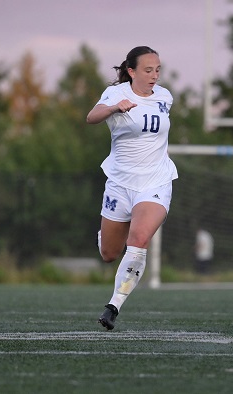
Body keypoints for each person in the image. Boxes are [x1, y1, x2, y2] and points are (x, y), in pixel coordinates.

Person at [86, 46, 178, 330]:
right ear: (132, 71)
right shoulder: (116, 94)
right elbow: (92, 116)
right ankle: (110, 229)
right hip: (120, 183)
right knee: (109, 254)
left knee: (138, 238)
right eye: (148, 70)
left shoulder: (164, 97)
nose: (154, 76)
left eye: (158, 70)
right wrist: (114, 108)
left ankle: (113, 306)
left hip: (155, 182)